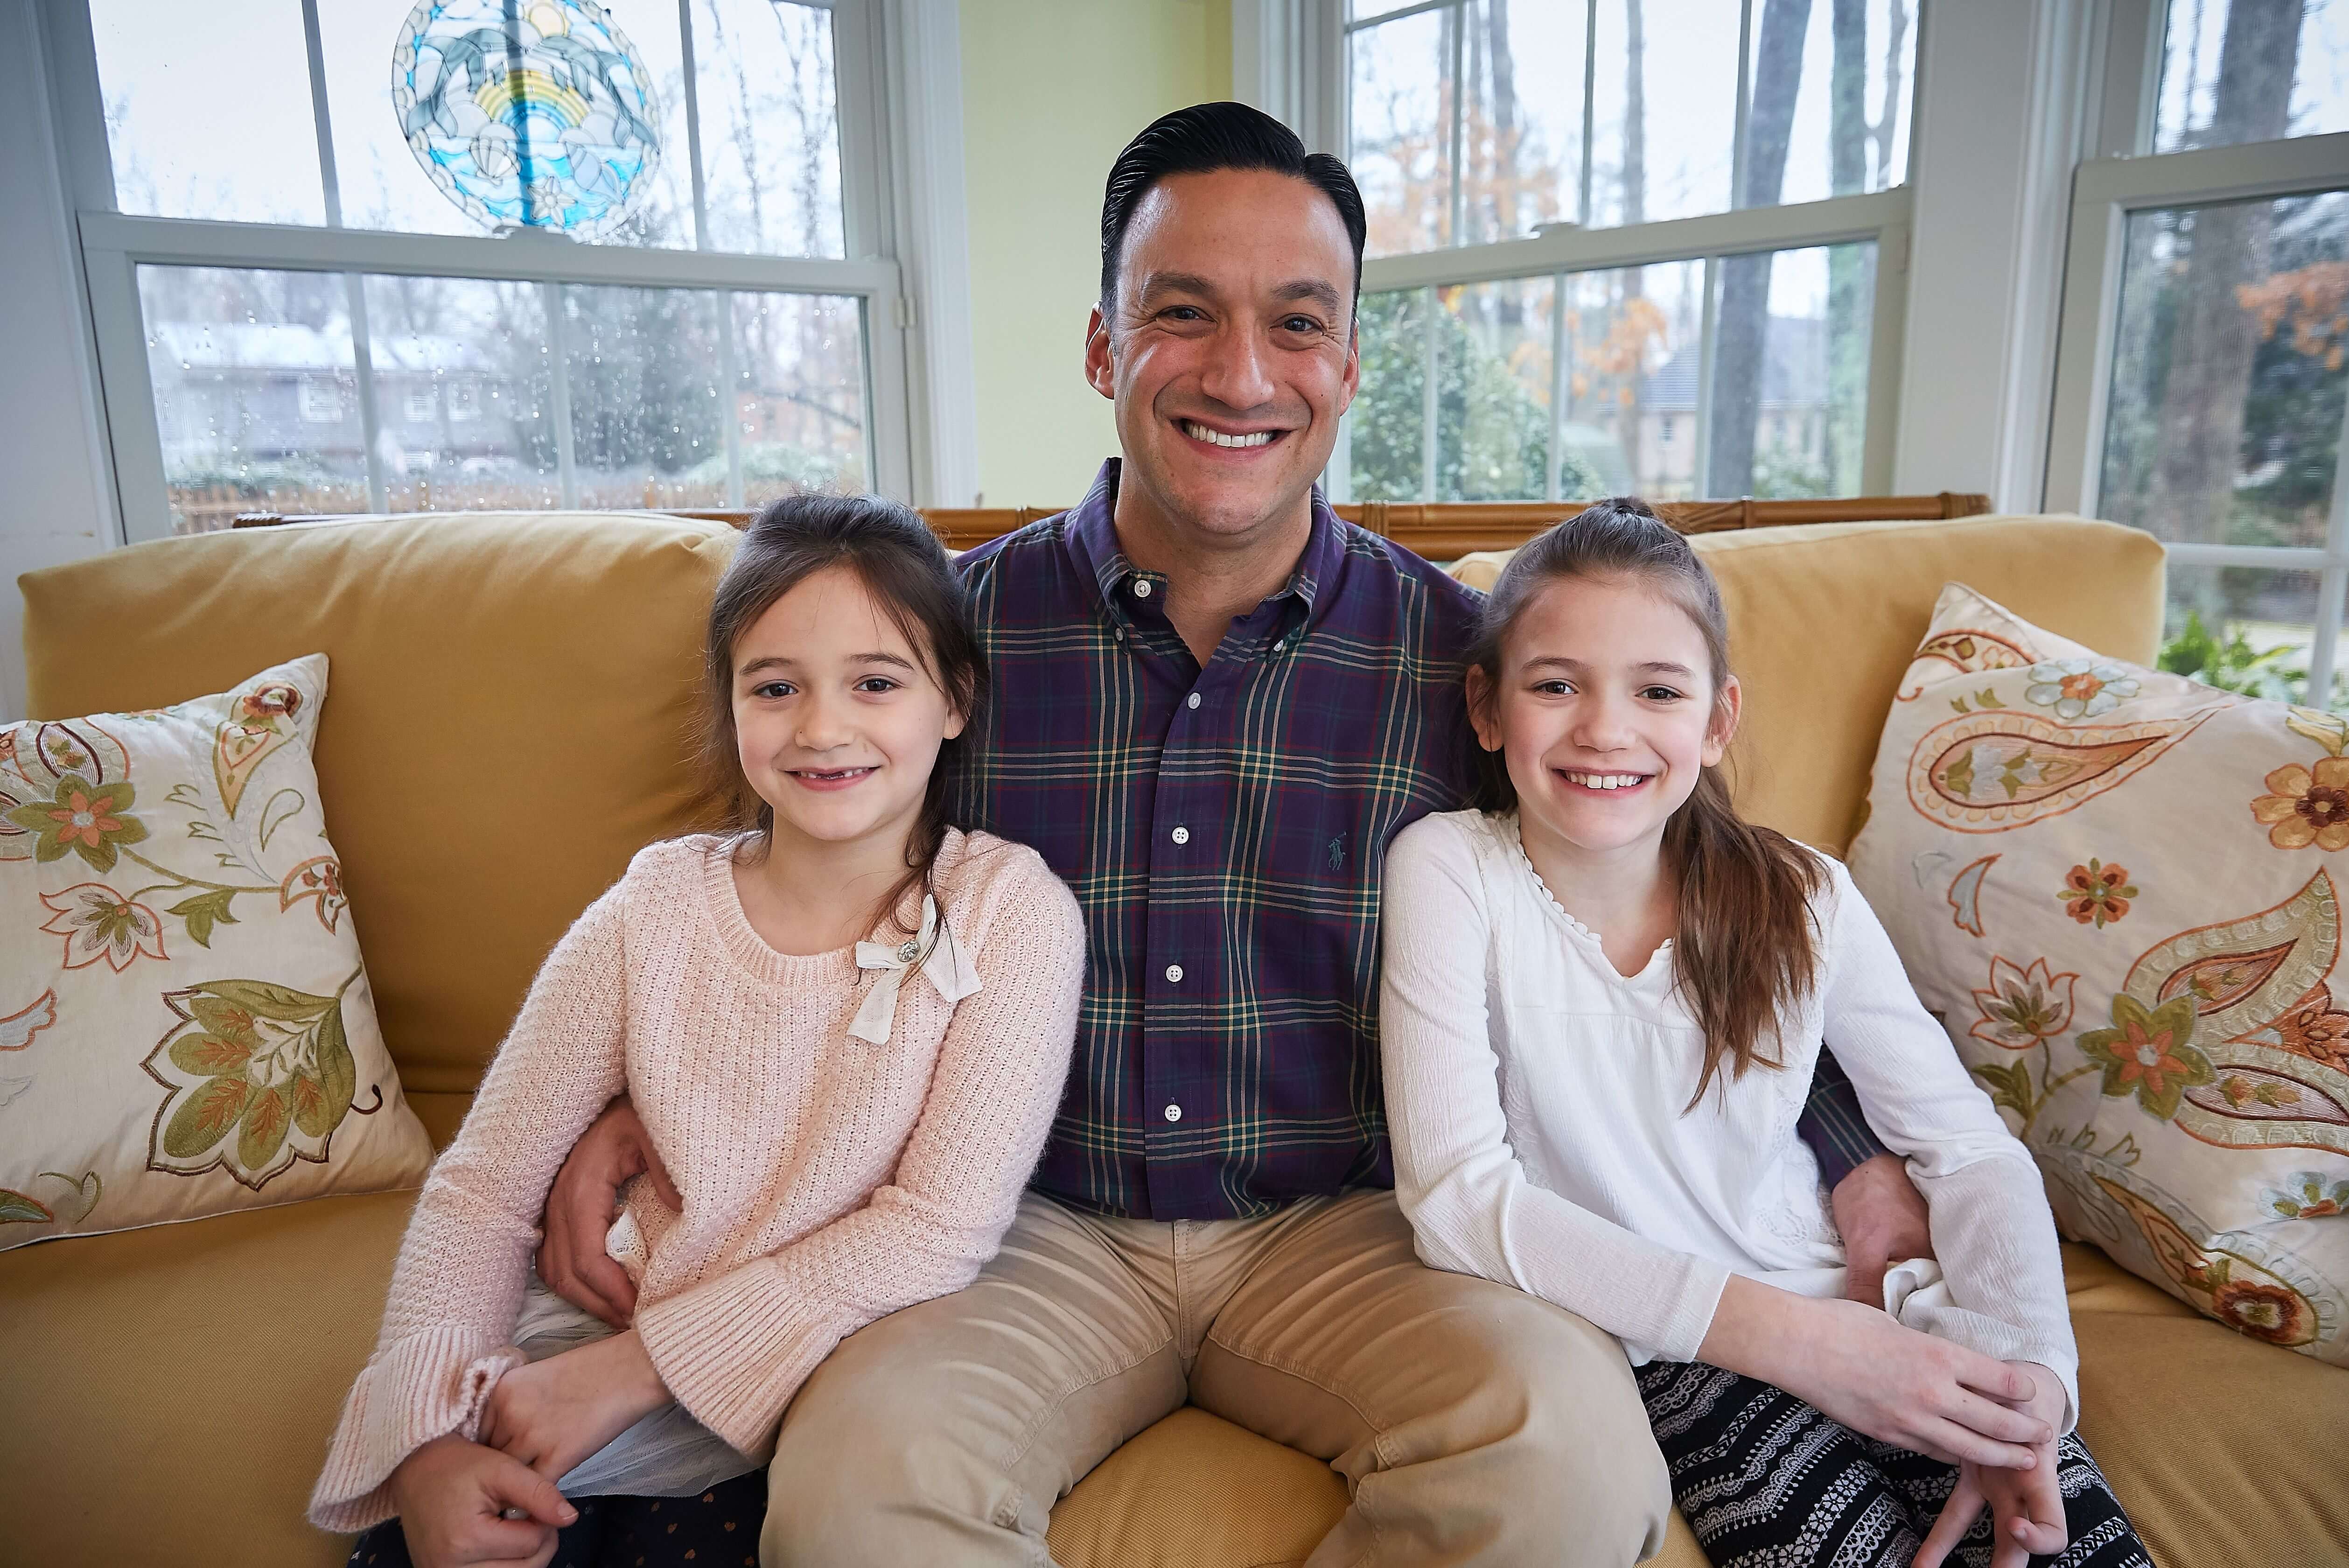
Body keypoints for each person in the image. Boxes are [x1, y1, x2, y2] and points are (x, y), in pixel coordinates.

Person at [539, 104, 1937, 1567]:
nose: (1243, 374)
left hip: (1363, 1230)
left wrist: (1847, 1149)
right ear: (1102, 347)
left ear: (1347, 365)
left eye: (1297, 324)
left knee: (1573, 1468)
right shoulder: (930, 646)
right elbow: (761, 899)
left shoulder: (1472, 668)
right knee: (851, 1501)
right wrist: (638, 1096)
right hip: (1020, 1233)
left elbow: (1684, 899)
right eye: (1182, 315)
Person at [308, 497, 1085, 1568]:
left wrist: (635, 1371)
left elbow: (937, 1228)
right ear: (731, 708)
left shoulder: (1010, 911)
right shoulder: (653, 910)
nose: (821, 727)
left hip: (786, 1396)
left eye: (875, 682)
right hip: (568, 1372)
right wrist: (426, 1443)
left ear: (953, 700)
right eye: (776, 687)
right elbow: (485, 1186)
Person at [1379, 500, 2152, 1568]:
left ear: (1717, 720)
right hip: (1671, 1356)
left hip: (1870, 1307)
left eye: (1657, 690)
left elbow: (1966, 1149)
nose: (1606, 729)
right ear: (1487, 706)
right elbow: (1459, 1199)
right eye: (1557, 684)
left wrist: (2034, 1383)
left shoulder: (1804, 895)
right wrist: (1812, 1350)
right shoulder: (1451, 870)